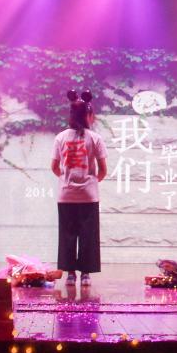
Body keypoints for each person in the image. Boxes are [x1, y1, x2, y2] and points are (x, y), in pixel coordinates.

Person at [51, 90, 108, 287]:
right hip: (88, 196)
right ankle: (85, 275)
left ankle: (70, 275)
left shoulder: (60, 138)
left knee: (67, 235)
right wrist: (90, 182)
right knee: (87, 236)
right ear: (89, 115)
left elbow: (54, 167)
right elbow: (103, 170)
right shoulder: (95, 138)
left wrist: (66, 180)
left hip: (66, 196)